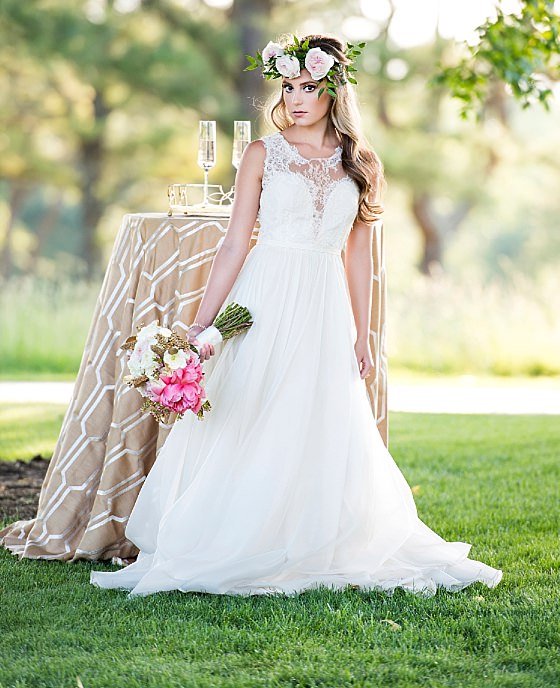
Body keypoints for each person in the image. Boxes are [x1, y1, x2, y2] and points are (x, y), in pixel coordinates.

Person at [91, 34, 501, 597]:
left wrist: (363, 334)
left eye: (310, 87)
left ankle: (311, 537)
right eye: (289, 86)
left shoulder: (361, 163)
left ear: (334, 91)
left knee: (316, 415)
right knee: (249, 408)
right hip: (262, 297)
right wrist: (201, 323)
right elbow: (235, 243)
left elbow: (360, 255)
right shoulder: (263, 153)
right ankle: (233, 535)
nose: (298, 98)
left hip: (323, 301)